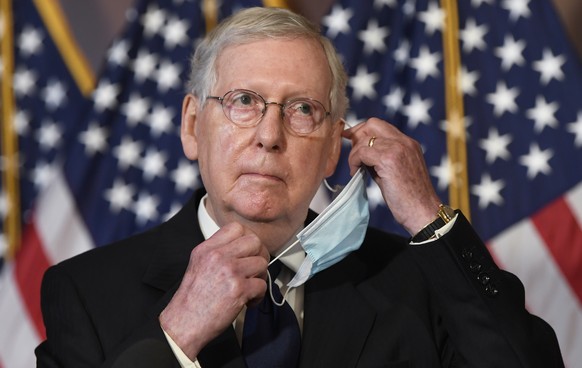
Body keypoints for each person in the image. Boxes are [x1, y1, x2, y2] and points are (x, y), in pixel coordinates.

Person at [36, 6, 564, 368]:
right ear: (193, 125)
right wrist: (175, 338)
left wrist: (428, 217)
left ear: (334, 147)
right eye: (243, 101)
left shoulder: (411, 283)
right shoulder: (84, 293)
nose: (269, 136)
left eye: (303, 110)